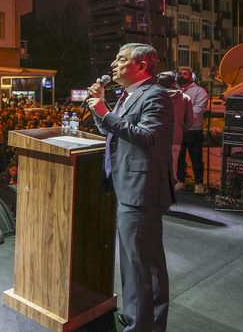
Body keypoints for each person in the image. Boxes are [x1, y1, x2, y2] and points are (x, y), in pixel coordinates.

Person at [86, 43, 174, 331]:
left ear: (141, 66)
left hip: (141, 190)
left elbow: (146, 136)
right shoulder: (128, 94)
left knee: (138, 267)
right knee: (147, 264)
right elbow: (114, 131)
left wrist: (104, 111)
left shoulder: (155, 95)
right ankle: (150, 321)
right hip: (131, 187)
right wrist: (102, 110)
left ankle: (138, 325)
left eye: (121, 59)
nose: (113, 64)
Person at [156, 72, 193, 191]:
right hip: (175, 139)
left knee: (155, 172)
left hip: (156, 139)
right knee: (172, 172)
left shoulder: (154, 97)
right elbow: (190, 121)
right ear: (174, 83)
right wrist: (180, 129)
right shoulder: (185, 98)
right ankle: (167, 203)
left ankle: (155, 204)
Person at [175, 67, 209, 193]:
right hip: (179, 130)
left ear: (191, 77)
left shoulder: (200, 91)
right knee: (179, 157)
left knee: (196, 157)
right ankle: (180, 181)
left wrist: (182, 120)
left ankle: (199, 183)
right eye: (180, 74)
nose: (182, 75)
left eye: (185, 74)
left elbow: (198, 109)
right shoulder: (175, 91)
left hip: (194, 130)